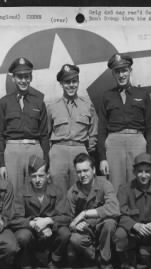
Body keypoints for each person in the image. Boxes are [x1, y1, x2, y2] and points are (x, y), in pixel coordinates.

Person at [97, 53, 151, 192]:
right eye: (117, 71)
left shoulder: (142, 94)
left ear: (130, 71)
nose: (121, 75)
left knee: (139, 183)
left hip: (137, 141)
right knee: (115, 184)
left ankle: (138, 213)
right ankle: (118, 213)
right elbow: (101, 129)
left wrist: (150, 155)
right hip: (114, 143)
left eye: (124, 70)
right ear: (113, 73)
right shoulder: (107, 96)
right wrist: (102, 158)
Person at [0, 57, 49, 195]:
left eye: (27, 76)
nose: (23, 80)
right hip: (13, 151)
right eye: (20, 77)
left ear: (31, 77)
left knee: (36, 189)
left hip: (34, 149)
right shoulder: (3, 103)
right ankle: (14, 217)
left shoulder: (39, 102)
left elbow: (44, 135)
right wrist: (1, 164)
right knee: (13, 190)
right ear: (13, 78)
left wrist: (45, 160)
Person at [8, 155, 71, 269]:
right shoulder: (22, 192)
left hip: (51, 234)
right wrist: (32, 224)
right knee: (22, 236)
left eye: (41, 176)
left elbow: (67, 217)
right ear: (29, 178)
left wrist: (49, 221)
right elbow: (13, 219)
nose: (37, 180)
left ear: (47, 175)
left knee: (65, 233)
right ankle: (28, 258)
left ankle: (55, 258)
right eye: (34, 176)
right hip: (32, 234)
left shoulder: (57, 191)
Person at [48, 64, 98, 193]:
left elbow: (93, 132)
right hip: (58, 152)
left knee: (80, 190)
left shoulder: (88, 105)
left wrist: (87, 151)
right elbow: (46, 134)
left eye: (74, 81)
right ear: (61, 84)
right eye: (67, 82)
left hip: (80, 150)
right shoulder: (52, 107)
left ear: (78, 82)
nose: (71, 85)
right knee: (58, 190)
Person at [66, 153, 120, 269]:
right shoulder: (73, 192)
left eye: (86, 170)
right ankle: (96, 257)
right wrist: (74, 226)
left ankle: (106, 260)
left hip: (102, 226)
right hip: (87, 230)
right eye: (79, 172)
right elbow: (69, 219)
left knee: (110, 223)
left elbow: (114, 208)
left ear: (94, 170)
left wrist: (85, 213)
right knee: (75, 239)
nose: (82, 175)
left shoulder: (104, 184)